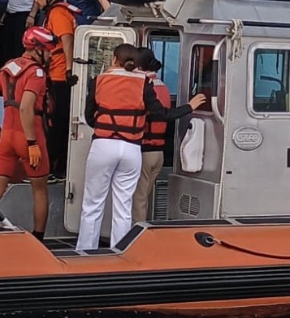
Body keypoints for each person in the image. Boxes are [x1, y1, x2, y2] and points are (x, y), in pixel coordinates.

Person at [77, 44, 206, 251]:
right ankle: (120, 252)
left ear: (114, 59)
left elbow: (89, 114)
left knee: (93, 203)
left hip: (103, 145)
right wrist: (188, 107)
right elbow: (161, 114)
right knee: (124, 206)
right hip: (131, 149)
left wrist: (104, 128)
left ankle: (85, 250)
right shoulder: (144, 83)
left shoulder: (99, 80)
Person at [0, 26, 59, 240]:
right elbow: (26, 107)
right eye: (49, 50)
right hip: (30, 138)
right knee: (40, 191)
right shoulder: (37, 73)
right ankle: (39, 237)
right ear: (37, 48)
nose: (51, 55)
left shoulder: (8, 67)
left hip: (6, 138)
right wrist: (32, 143)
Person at [29, 0, 81, 178]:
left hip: (60, 75)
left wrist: (68, 69)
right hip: (57, 73)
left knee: (58, 123)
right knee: (57, 122)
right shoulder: (56, 12)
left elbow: (66, 39)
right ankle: (57, 167)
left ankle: (55, 168)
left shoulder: (58, 13)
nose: (37, 0)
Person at [132, 48, 173, 224]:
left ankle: (133, 240)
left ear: (139, 66)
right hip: (158, 153)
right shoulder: (163, 86)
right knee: (144, 198)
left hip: (144, 150)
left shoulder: (142, 87)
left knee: (138, 200)